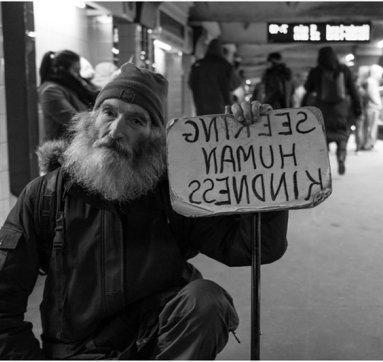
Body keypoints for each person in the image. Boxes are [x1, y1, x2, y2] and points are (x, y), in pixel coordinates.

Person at [0, 63, 288, 360]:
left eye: (136, 121)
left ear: (154, 138)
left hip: (156, 346)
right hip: (77, 352)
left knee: (206, 301)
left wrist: (258, 162)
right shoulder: (44, 196)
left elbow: (253, 248)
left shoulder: (175, 193)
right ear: (91, 119)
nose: (115, 131)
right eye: (109, 112)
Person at [303, 46, 362, 175]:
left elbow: (307, 89)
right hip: (341, 110)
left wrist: (302, 110)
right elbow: (353, 91)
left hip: (322, 110)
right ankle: (341, 157)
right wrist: (358, 109)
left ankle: (324, 166)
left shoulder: (316, 71)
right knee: (342, 136)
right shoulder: (344, 70)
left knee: (323, 138)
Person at [38, 50, 98, 142]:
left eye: (79, 71)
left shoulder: (70, 87)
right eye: (75, 71)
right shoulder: (50, 91)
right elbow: (75, 122)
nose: (78, 76)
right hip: (62, 152)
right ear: (61, 69)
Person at [188, 39, 241, 115]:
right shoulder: (225, 66)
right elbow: (236, 83)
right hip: (221, 112)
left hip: (201, 111)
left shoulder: (196, 66)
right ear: (220, 51)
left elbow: (190, 84)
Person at [362, 64, 383, 150]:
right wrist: (377, 103)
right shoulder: (371, 81)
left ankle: (367, 144)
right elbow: (370, 94)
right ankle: (368, 145)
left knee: (370, 126)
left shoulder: (372, 81)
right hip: (373, 107)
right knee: (371, 127)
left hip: (372, 106)